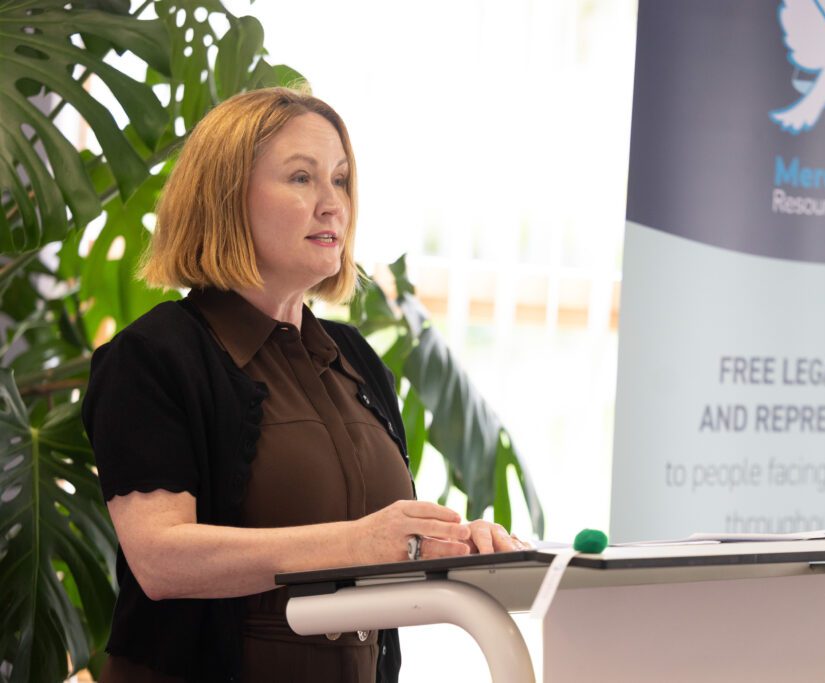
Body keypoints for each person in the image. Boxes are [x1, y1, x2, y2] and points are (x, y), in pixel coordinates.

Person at [81, 86, 526, 683]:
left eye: (340, 180)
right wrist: (362, 542)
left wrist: (448, 548)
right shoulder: (153, 357)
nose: (332, 205)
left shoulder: (357, 360)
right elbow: (161, 560)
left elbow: (379, 552)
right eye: (301, 178)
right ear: (226, 198)